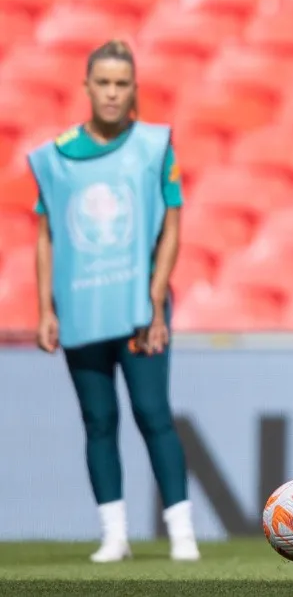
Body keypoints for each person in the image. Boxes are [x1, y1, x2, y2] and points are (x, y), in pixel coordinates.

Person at [29, 40, 198, 563]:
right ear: (86, 88)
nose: (111, 92)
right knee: (98, 420)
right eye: (102, 82)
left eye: (121, 84)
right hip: (81, 305)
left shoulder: (154, 146)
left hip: (137, 308)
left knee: (153, 413)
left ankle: (182, 535)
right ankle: (114, 534)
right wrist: (45, 309)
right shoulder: (56, 158)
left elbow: (172, 223)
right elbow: (47, 234)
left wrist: (154, 298)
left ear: (134, 91)